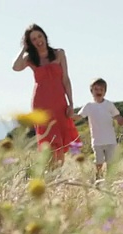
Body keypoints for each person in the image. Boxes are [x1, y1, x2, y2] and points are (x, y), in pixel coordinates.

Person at [12, 24, 81, 166]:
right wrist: (24, 48)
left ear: (44, 36)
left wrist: (71, 103)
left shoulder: (59, 53)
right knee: (48, 141)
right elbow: (15, 67)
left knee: (59, 139)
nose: (38, 40)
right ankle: (50, 173)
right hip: (41, 103)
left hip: (59, 102)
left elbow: (66, 79)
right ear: (29, 42)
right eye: (33, 39)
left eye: (39, 36)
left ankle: (58, 173)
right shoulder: (30, 58)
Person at [75, 78, 123, 180]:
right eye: (96, 89)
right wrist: (69, 116)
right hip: (97, 140)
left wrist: (122, 120)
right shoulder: (89, 106)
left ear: (105, 92)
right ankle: (98, 176)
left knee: (110, 161)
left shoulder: (109, 104)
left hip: (110, 139)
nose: (98, 91)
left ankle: (109, 179)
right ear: (92, 91)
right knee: (99, 161)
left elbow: (117, 116)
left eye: (101, 89)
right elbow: (79, 116)